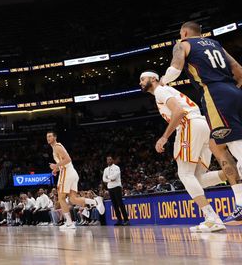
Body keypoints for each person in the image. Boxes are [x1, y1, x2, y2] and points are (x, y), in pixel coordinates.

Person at [159, 21, 242, 223]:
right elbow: (238, 69)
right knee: (216, 145)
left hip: (215, 94)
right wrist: (234, 88)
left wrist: (164, 80)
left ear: (185, 32)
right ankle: (239, 201)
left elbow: (175, 68)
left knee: (234, 146)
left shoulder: (183, 44)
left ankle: (240, 202)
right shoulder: (215, 44)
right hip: (234, 91)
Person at [140, 70, 226, 232]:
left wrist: (164, 137)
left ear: (153, 78)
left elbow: (179, 112)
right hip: (202, 125)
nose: (140, 82)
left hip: (189, 124)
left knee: (185, 174)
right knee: (198, 179)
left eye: (142, 79)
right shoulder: (166, 90)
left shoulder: (160, 90)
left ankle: (212, 218)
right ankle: (235, 174)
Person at [47, 131, 103, 230]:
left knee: (61, 198)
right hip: (71, 172)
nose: (48, 138)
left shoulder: (57, 147)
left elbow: (68, 159)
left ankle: (69, 222)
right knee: (73, 199)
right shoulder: (55, 148)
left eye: (50, 136)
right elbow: (64, 163)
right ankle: (95, 201)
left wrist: (55, 166)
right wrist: (56, 169)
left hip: (67, 173)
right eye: (47, 136)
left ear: (55, 137)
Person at [102, 155, 129, 225]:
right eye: (108, 160)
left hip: (117, 187)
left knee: (120, 204)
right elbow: (103, 179)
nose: (109, 161)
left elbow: (115, 176)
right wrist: (110, 179)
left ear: (112, 160)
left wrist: (108, 178)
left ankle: (126, 220)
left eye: (110, 159)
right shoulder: (105, 169)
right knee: (114, 205)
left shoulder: (116, 167)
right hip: (110, 188)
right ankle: (119, 220)